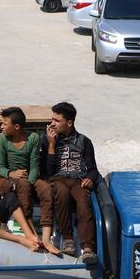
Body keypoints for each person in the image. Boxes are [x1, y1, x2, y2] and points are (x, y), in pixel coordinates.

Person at [0, 107, 61, 255]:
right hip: (6, 178)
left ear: (17, 126)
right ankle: (31, 233)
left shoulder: (33, 138)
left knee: (46, 189)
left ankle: (46, 237)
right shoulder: (1, 139)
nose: (1, 127)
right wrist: (12, 173)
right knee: (23, 185)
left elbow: (34, 165)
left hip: (27, 177)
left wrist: (31, 183)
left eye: (5, 124)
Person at [43, 102, 100, 265]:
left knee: (83, 201)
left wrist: (90, 178)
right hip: (58, 178)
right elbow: (48, 171)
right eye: (51, 119)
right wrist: (52, 145)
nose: (52, 123)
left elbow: (93, 169)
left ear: (69, 123)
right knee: (61, 194)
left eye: (57, 120)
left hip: (78, 179)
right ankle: (68, 240)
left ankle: (87, 248)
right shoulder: (47, 140)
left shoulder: (84, 141)